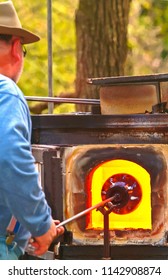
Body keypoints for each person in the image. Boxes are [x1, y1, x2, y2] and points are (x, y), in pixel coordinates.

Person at [0, 1, 64, 260]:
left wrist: (29, 228)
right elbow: (9, 155)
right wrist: (40, 223)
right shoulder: (5, 91)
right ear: (17, 47)